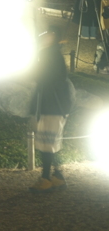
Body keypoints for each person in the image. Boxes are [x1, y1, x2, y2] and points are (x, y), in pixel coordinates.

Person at [30, 24, 75, 193]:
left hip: (52, 105)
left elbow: (45, 78)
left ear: (53, 35)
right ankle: (56, 175)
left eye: (47, 33)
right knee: (50, 142)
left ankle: (46, 178)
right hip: (51, 105)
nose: (43, 35)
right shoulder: (51, 54)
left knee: (47, 143)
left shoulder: (51, 55)